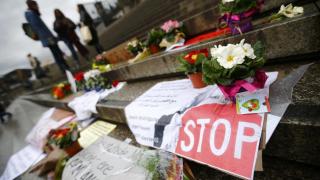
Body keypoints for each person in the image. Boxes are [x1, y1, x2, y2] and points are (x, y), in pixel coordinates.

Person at [25, 0, 69, 73]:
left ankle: (64, 68)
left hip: (46, 38)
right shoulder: (31, 14)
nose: (37, 6)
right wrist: (50, 37)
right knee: (57, 52)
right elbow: (38, 27)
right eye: (36, 5)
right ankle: (64, 68)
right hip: (47, 38)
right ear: (32, 5)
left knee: (56, 53)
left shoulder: (30, 14)